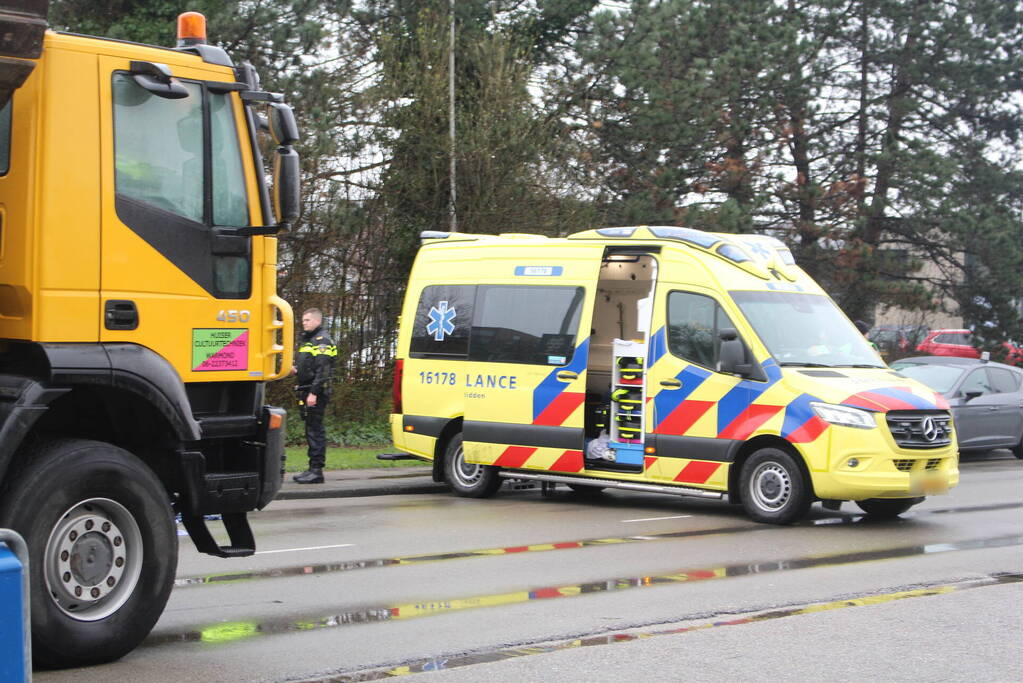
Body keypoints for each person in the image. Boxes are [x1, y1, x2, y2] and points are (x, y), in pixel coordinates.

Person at [292, 308, 337, 484]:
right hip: (308, 389)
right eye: (303, 320)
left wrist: (313, 393)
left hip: (316, 391)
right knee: (310, 428)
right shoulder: (309, 340)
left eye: (308, 320)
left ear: (318, 321)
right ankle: (312, 468)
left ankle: (317, 471)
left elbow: (323, 370)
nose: (305, 323)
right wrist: (295, 370)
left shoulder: (322, 340)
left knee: (315, 430)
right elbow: (309, 366)